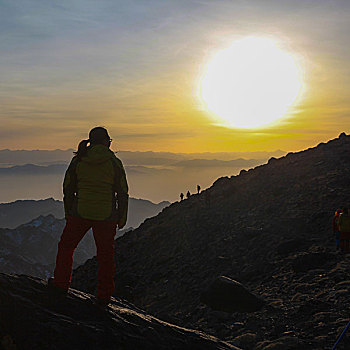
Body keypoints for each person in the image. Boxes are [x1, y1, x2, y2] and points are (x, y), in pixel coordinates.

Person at [48, 127, 129, 306]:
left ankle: (61, 285)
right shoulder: (114, 162)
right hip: (106, 216)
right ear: (106, 141)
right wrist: (121, 217)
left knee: (66, 248)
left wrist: (69, 212)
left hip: (80, 213)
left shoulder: (79, 160)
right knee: (106, 256)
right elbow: (122, 192)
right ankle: (103, 296)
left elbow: (68, 187)